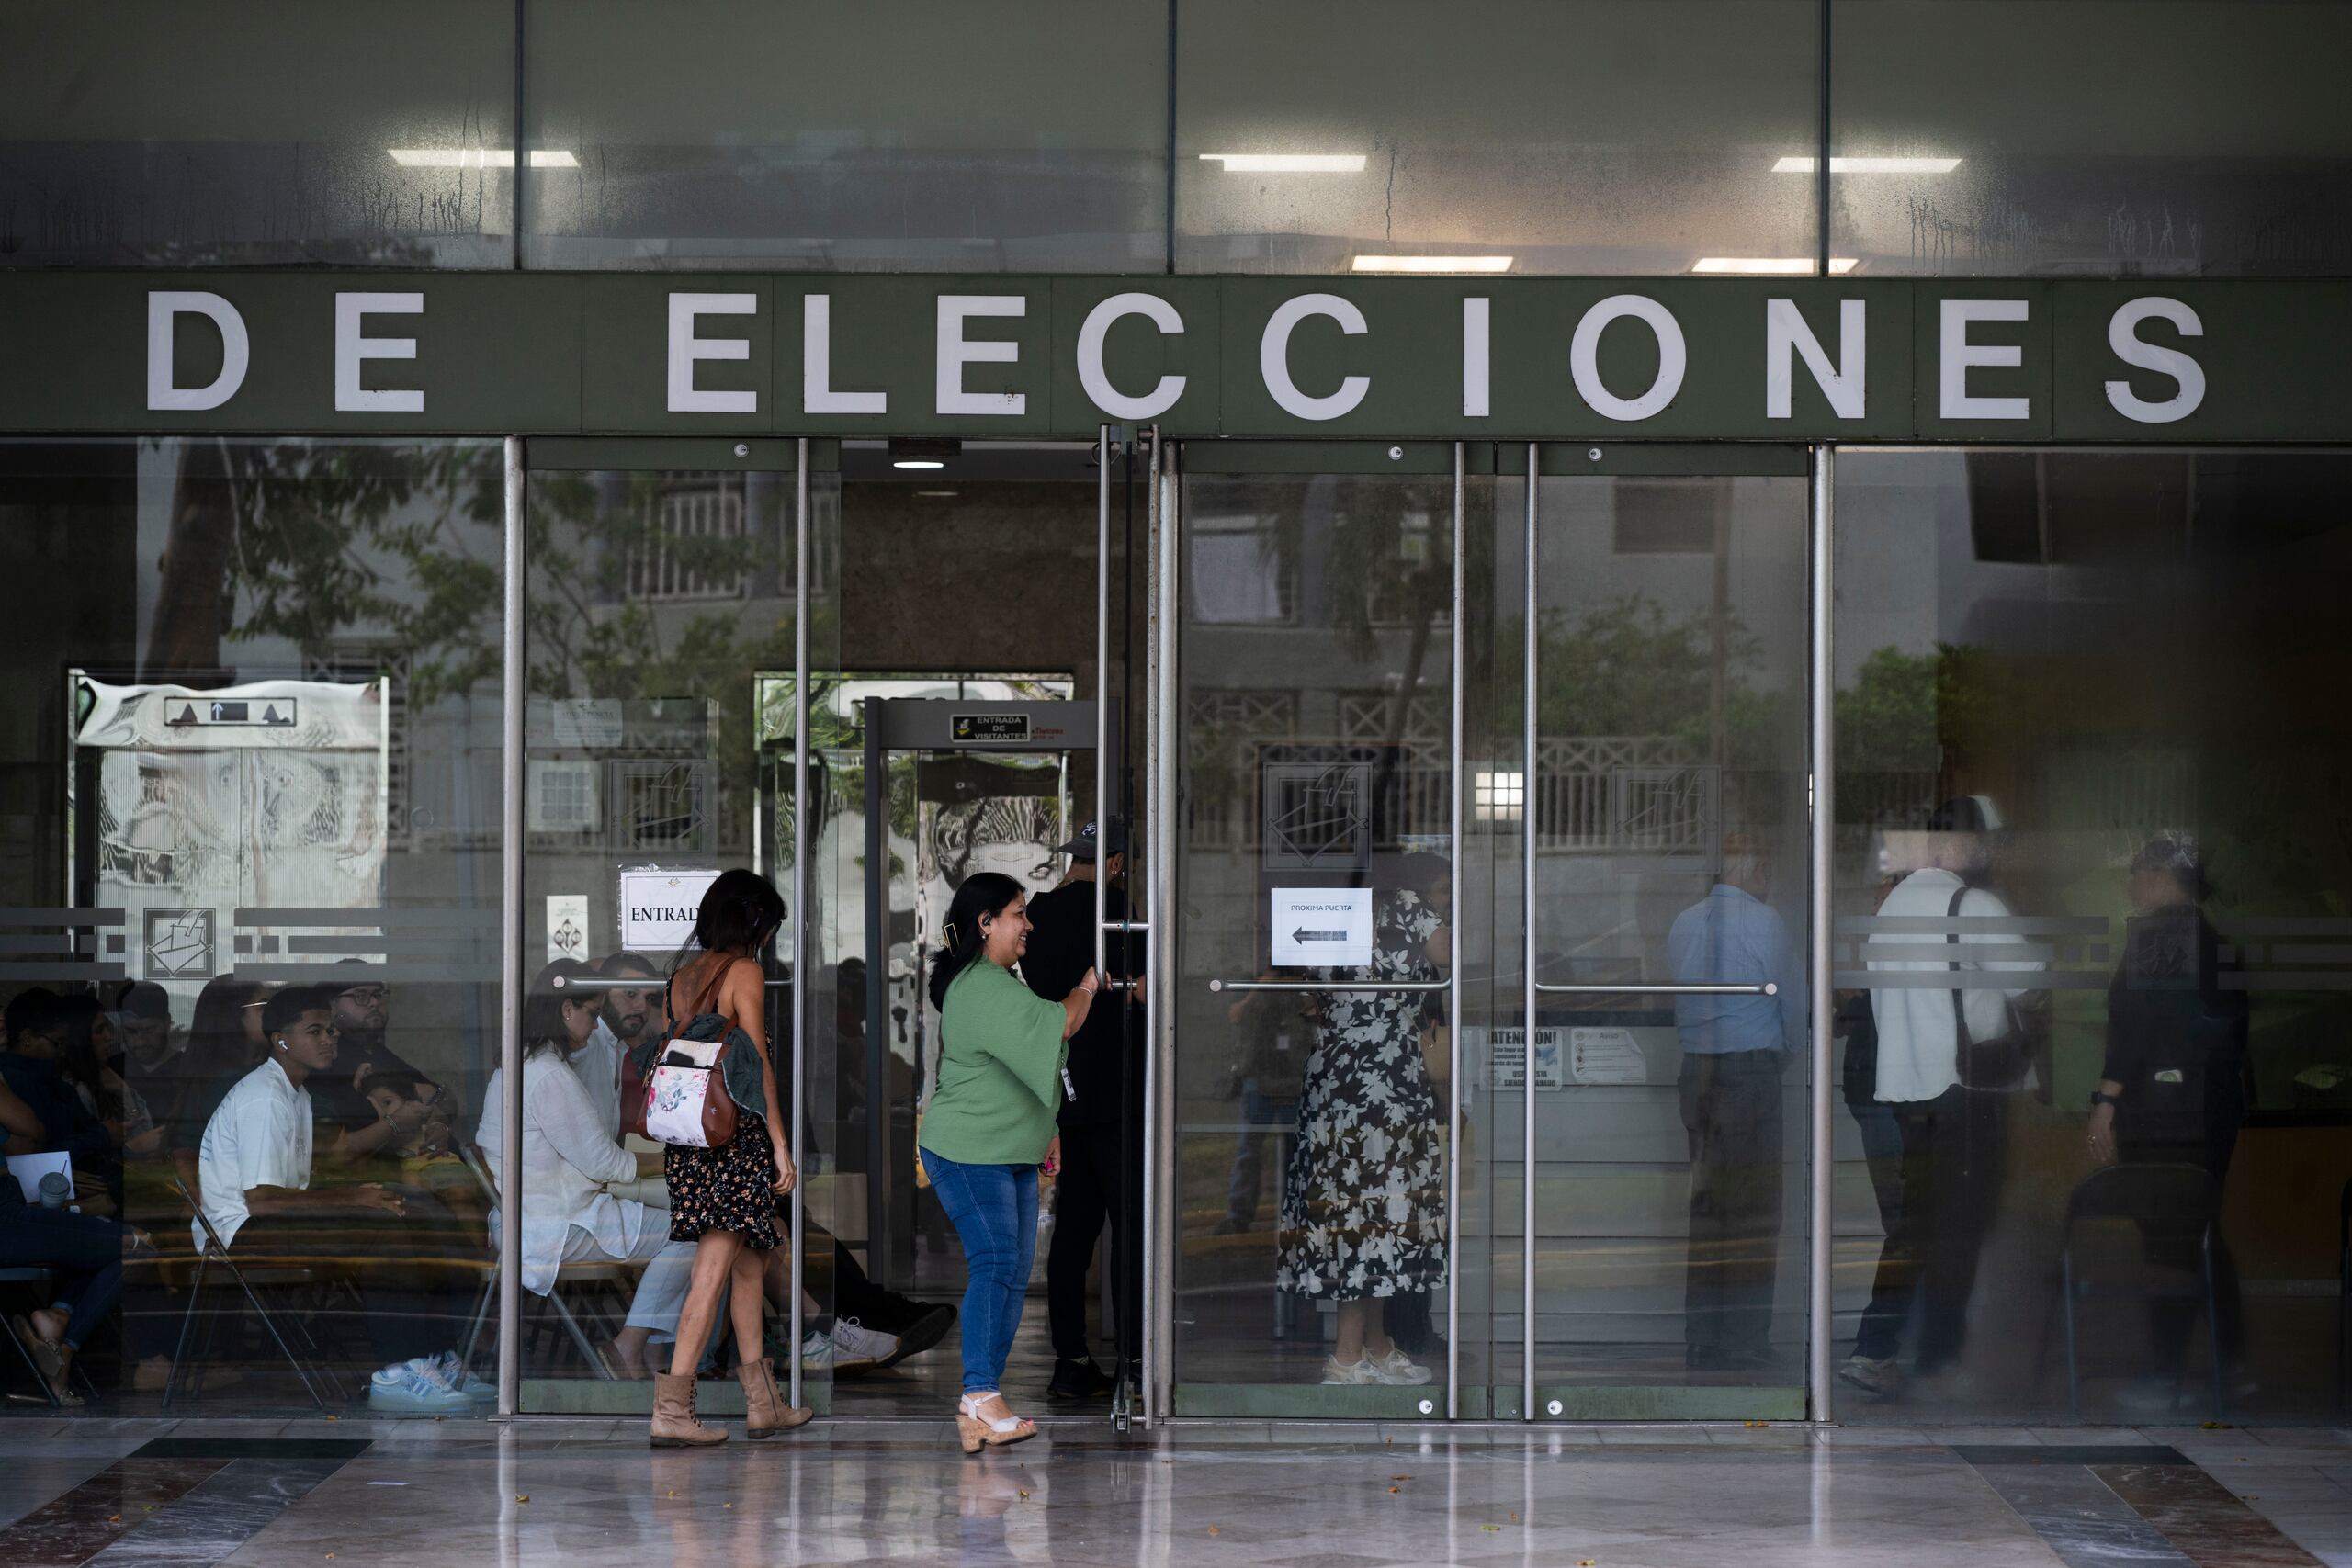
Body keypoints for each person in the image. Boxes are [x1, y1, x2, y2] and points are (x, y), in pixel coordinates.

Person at [196, 985, 484, 1412]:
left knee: (418, 1208)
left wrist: (364, 1195)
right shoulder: (265, 1097)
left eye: (331, 1030)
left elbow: (294, 1190)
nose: (330, 1039)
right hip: (240, 1233)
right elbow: (262, 1201)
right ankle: (397, 1372)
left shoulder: (299, 1093)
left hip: (272, 1219)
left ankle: (441, 1356)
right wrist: (353, 1197)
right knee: (383, 1230)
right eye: (315, 1031)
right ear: (281, 1040)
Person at [1843, 797, 2043, 1400]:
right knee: (1959, 1226)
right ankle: (1939, 1357)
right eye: (1978, 843)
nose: (1984, 853)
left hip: (1907, 1093)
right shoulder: (1973, 904)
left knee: (1915, 1226)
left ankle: (1875, 1349)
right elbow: (2029, 980)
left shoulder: (1892, 907)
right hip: (1966, 1088)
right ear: (1957, 847)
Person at [918, 871, 1096, 1453]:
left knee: (1014, 1271)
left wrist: (1046, 1134)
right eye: (1020, 913)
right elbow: (1060, 1024)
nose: (1029, 923)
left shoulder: (992, 980)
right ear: (985, 923)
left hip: (1006, 1148)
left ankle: (980, 1406)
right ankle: (978, 1392)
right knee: (996, 1262)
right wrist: (1090, 985)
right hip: (970, 1151)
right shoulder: (982, 986)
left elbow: (1022, 1064)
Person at [636, 869, 809, 1448]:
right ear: (754, 921)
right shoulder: (745, 972)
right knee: (712, 1270)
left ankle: (764, 1406)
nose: (771, 937)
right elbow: (756, 1069)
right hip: (735, 1141)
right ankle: (673, 1409)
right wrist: (781, 1148)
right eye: (771, 925)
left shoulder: (682, 978)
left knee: (749, 1268)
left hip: (691, 1141)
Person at [2086, 833, 2249, 1412]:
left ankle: (2163, 1375)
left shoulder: (2161, 940)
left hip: (2167, 1115)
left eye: (2135, 872)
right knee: (2196, 1229)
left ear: (2159, 876)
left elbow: (2133, 1031)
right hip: (2211, 1109)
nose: (2131, 885)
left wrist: (2105, 1102)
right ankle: (2231, 1360)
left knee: (2167, 1240)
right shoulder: (2214, 942)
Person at [475, 960, 697, 1382]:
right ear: (565, 1010)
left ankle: (646, 1350)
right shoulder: (547, 1075)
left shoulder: (528, 1065)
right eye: (592, 1014)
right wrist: (681, 1160)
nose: (597, 1027)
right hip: (554, 1227)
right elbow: (605, 1164)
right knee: (694, 1231)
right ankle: (631, 1347)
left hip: (539, 1218)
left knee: (688, 1224)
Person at [1277, 866, 1450, 1387]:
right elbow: (1448, 954)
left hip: (1338, 1074)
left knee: (1370, 1205)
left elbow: (1309, 990)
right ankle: (1347, 1356)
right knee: (1371, 1208)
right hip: (1386, 1078)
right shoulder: (1408, 904)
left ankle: (1375, 1345)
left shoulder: (1328, 907)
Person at [1666, 835, 1805, 1374]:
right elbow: (1793, 1004)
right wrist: (1790, 1054)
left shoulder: (1684, 922)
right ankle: (1744, 1337)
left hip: (1694, 1073)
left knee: (1708, 1209)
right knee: (1753, 1211)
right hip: (1750, 1073)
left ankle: (1701, 1337)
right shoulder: (1765, 922)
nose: (1768, 880)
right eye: (1766, 869)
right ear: (1756, 870)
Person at [1020, 819, 1144, 1403]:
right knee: (1130, 1228)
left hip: (1064, 1087)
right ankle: (1137, 1360)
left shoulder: (1037, 916)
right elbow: (1144, 987)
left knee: (1074, 1229)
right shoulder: (1120, 911)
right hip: (1120, 1087)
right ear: (1117, 863)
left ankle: (1069, 1360)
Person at [0, 1072, 146, 1405]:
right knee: (139, 1244)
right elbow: (31, 1134)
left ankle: (59, 1319)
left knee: (104, 1247)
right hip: (7, 1218)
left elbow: (25, 1142)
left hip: (10, 1216)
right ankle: (64, 1346)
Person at [1214, 978, 1308, 1235]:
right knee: (1249, 1152)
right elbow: (1235, 1014)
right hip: (1259, 1076)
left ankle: (1293, 1215)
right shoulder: (1252, 982)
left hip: (1291, 1078)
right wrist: (1262, 984)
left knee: (1294, 1154)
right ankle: (1239, 1216)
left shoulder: (1300, 983)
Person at [167, 977, 273, 1204]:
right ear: (233, 1016)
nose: (276, 1015)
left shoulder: (206, 1077)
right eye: (264, 1007)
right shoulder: (231, 1084)